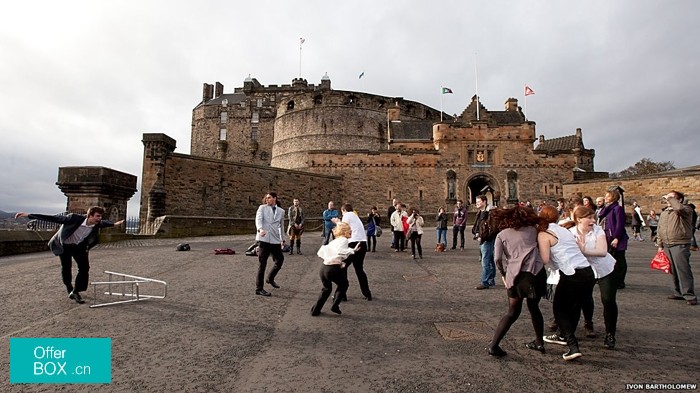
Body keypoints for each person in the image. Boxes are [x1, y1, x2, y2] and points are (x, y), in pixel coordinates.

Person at [15, 207, 124, 304]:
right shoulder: (73, 218)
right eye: (97, 216)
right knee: (66, 267)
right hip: (65, 246)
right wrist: (28, 215)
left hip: (78, 247)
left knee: (84, 268)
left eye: (100, 216)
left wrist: (114, 224)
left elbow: (104, 223)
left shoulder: (97, 223)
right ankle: (69, 288)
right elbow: (54, 218)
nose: (99, 218)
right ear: (89, 215)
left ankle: (76, 291)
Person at [538, 205, 596, 361]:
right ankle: (564, 336)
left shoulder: (544, 234)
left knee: (559, 308)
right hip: (587, 271)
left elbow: (544, 259)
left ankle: (573, 345)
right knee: (575, 306)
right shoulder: (564, 230)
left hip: (572, 273)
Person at [488, 206, 547, 357]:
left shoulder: (502, 234)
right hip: (534, 274)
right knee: (534, 309)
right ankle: (539, 342)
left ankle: (494, 346)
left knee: (512, 312)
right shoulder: (534, 230)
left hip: (515, 276)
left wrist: (503, 274)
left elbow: (497, 259)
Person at [568, 206, 619, 349]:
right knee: (581, 299)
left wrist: (583, 250)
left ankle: (610, 334)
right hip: (584, 270)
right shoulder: (571, 233)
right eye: (589, 218)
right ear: (579, 219)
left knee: (608, 299)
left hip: (604, 269)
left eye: (593, 217)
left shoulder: (598, 230)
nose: (593, 220)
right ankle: (580, 327)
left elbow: (602, 251)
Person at [311, 222, 360, 316]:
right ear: (344, 232)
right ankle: (335, 305)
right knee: (344, 284)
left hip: (324, 268)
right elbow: (340, 251)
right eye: (349, 229)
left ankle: (315, 310)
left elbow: (324, 253)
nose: (351, 231)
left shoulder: (334, 241)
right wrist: (352, 250)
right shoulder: (344, 240)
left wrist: (340, 262)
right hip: (332, 269)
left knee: (326, 289)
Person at [657, 191, 697, 305]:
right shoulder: (665, 212)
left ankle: (689, 295)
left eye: (672, 198)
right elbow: (660, 228)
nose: (668, 200)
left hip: (680, 243)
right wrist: (660, 245)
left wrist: (671, 198)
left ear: (679, 200)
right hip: (668, 244)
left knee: (683, 270)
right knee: (672, 270)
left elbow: (679, 209)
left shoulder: (686, 209)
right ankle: (677, 292)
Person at [333, 203, 373, 301]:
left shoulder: (347, 215)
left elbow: (343, 229)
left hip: (353, 243)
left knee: (343, 267)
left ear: (344, 210)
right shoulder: (355, 216)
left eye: (342, 213)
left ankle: (342, 295)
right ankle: (367, 293)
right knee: (359, 269)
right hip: (362, 243)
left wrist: (337, 222)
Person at [254, 192, 286, 296]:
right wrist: (260, 229)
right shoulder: (262, 208)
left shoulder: (281, 211)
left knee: (280, 260)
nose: (267, 200)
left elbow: (281, 226)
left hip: (275, 239)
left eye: (269, 198)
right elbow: (258, 220)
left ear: (275, 198)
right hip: (264, 238)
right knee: (262, 264)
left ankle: (270, 278)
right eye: (266, 198)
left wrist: (283, 239)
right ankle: (259, 288)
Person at [597, 189, 629, 289]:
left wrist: (616, 238)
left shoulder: (617, 209)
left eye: (608, 196)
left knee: (619, 259)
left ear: (614, 197)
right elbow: (600, 215)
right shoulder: (608, 208)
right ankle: (612, 279)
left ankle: (620, 281)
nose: (606, 198)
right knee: (611, 258)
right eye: (606, 196)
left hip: (616, 237)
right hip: (608, 237)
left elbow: (620, 224)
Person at [473, 195, 496, 290]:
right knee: (490, 260)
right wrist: (477, 233)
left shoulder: (490, 213)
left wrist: (483, 237)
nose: (477, 203)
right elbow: (478, 226)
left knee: (485, 261)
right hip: (483, 239)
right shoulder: (480, 212)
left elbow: (492, 228)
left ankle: (484, 282)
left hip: (487, 240)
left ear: (484, 202)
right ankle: (490, 280)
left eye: (478, 201)